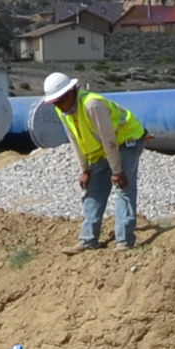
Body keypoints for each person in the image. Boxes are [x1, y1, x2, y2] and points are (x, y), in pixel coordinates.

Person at [42, 71, 147, 253]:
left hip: (126, 140)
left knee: (123, 187)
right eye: (54, 103)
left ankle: (124, 241)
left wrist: (117, 171)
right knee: (93, 190)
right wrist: (85, 170)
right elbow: (75, 140)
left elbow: (109, 140)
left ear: (71, 93)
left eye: (60, 101)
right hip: (101, 150)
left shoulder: (92, 105)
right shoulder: (64, 112)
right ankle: (88, 240)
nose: (58, 106)